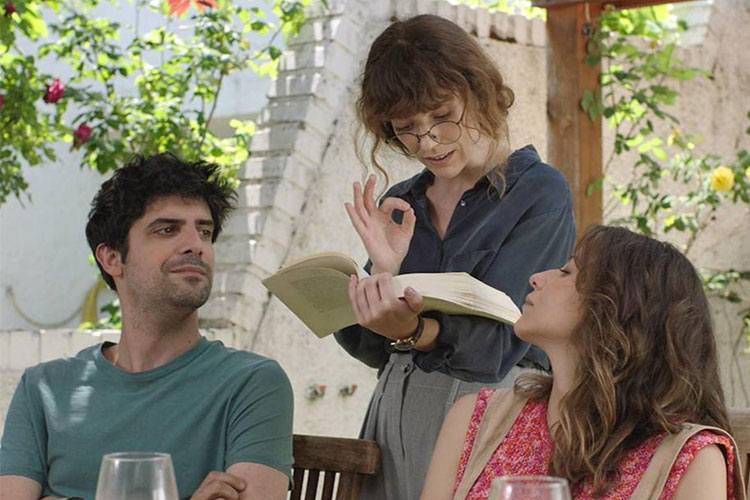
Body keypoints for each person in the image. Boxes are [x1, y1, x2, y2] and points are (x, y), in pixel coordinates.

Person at [334, 14, 576, 500]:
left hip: (493, 414)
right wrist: (382, 275)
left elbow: (496, 349)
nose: (427, 142)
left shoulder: (538, 191)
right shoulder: (404, 200)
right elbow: (373, 348)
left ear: (478, 91)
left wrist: (411, 329)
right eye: (407, 128)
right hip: (392, 413)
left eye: (442, 116)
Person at [0, 154, 294, 500]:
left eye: (204, 231)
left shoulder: (252, 383)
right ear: (112, 258)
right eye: (167, 229)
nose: (196, 245)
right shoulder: (44, 388)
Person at [421, 225, 746, 500]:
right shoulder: (476, 419)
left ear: (619, 310)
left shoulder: (690, 459)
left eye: (567, 271)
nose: (536, 278)